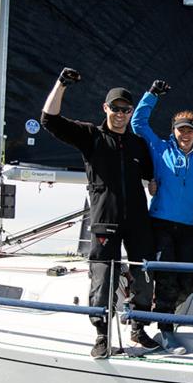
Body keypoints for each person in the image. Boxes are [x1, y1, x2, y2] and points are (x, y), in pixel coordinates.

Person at [41, 68, 156, 359]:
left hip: (138, 221)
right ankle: (102, 335)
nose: (120, 114)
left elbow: (151, 174)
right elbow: (49, 120)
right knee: (103, 277)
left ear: (131, 112)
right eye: (115, 108)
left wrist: (155, 182)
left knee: (144, 274)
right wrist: (62, 84)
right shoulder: (91, 136)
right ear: (105, 108)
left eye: (125, 109)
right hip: (105, 220)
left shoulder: (138, 144)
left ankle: (139, 328)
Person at [131, 80, 193, 353]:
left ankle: (160, 311)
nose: (184, 134)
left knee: (189, 280)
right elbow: (138, 124)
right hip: (161, 223)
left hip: (187, 226)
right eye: (180, 130)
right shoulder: (161, 148)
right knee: (167, 277)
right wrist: (152, 95)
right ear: (173, 131)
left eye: (189, 130)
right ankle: (166, 331)